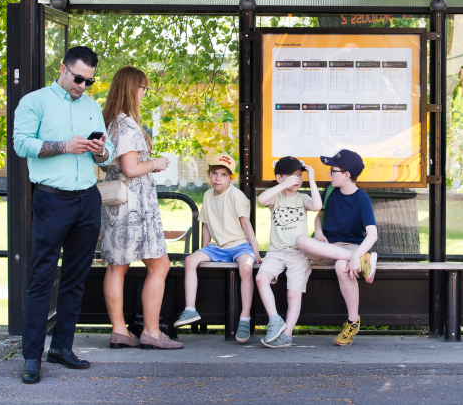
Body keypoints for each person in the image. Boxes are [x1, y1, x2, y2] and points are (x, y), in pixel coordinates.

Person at [12, 46, 113, 384]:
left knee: (75, 278)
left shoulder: (91, 106)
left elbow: (107, 151)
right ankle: (31, 356)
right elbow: (21, 144)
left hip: (88, 200)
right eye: (78, 78)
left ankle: (62, 348)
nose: (83, 86)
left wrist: (100, 151)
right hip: (52, 200)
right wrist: (62, 146)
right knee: (42, 279)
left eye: (89, 81)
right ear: (63, 68)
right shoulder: (35, 102)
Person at [99, 66, 182, 351]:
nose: (145, 93)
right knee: (160, 265)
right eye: (143, 87)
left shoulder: (109, 120)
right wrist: (155, 164)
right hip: (135, 207)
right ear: (132, 88)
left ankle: (120, 331)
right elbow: (131, 167)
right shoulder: (127, 124)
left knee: (116, 268)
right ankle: (151, 331)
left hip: (115, 205)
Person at [174, 153, 262, 343]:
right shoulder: (207, 195)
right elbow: (206, 225)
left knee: (246, 267)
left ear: (231, 178)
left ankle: (245, 318)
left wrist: (255, 252)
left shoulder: (236, 195)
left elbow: (246, 225)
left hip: (239, 245)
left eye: (223, 174)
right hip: (218, 247)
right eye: (215, 173)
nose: (218, 178)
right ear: (209, 175)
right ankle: (190, 309)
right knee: (190, 260)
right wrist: (203, 251)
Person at [295, 149, 378, 346]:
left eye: (333, 171)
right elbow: (319, 216)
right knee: (301, 240)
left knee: (343, 267)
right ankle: (360, 262)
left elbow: (372, 234)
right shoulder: (330, 190)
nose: (329, 175)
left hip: (351, 248)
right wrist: (319, 232)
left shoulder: (362, 199)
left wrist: (354, 254)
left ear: (347, 175)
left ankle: (352, 322)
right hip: (328, 246)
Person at [255, 156, 322, 348]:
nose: (297, 179)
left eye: (299, 175)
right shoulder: (275, 197)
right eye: (292, 176)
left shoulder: (303, 198)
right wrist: (283, 185)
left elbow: (317, 206)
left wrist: (311, 179)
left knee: (293, 294)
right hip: (276, 252)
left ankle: (287, 333)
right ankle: (274, 320)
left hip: (298, 254)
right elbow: (261, 199)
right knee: (261, 279)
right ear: (280, 178)